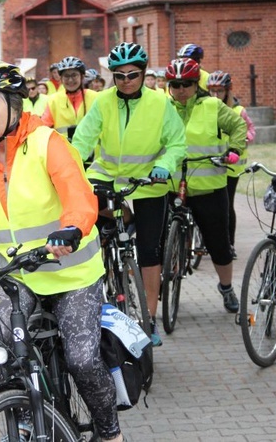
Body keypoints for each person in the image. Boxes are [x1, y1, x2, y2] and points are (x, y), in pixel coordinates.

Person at [0, 61, 127, 441]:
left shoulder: (47, 142)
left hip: (70, 272)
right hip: (10, 274)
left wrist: (70, 229)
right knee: (4, 353)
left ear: (14, 105)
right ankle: (24, 419)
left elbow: (78, 194)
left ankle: (109, 431)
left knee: (82, 360)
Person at [72, 42, 186, 346]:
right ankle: (104, 264)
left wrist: (164, 165)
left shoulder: (161, 104)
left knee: (150, 251)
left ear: (144, 73)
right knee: (86, 225)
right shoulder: (102, 102)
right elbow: (83, 140)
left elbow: (177, 144)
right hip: (107, 175)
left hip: (150, 181)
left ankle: (149, 319)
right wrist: (68, 166)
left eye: (132, 75)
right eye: (118, 76)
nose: (125, 81)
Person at [166, 59, 246, 313]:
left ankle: (226, 287)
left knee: (218, 244)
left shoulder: (212, 106)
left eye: (187, 84)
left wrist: (234, 150)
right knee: (159, 240)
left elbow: (238, 127)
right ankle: (169, 272)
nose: (181, 89)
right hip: (171, 187)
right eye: (175, 84)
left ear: (196, 84)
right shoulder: (163, 108)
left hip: (209, 187)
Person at [206, 70, 256, 259]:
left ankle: (230, 244)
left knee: (227, 206)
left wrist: (244, 139)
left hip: (231, 167)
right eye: (211, 91)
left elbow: (251, 130)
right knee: (211, 207)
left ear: (228, 90)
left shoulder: (238, 111)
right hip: (211, 164)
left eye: (219, 91)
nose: (215, 95)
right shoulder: (208, 108)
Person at [41, 56, 99, 139]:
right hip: (64, 150)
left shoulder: (95, 97)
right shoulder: (54, 100)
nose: (70, 80)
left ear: (82, 77)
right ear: (61, 78)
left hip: (92, 150)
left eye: (74, 75)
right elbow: (43, 128)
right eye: (66, 76)